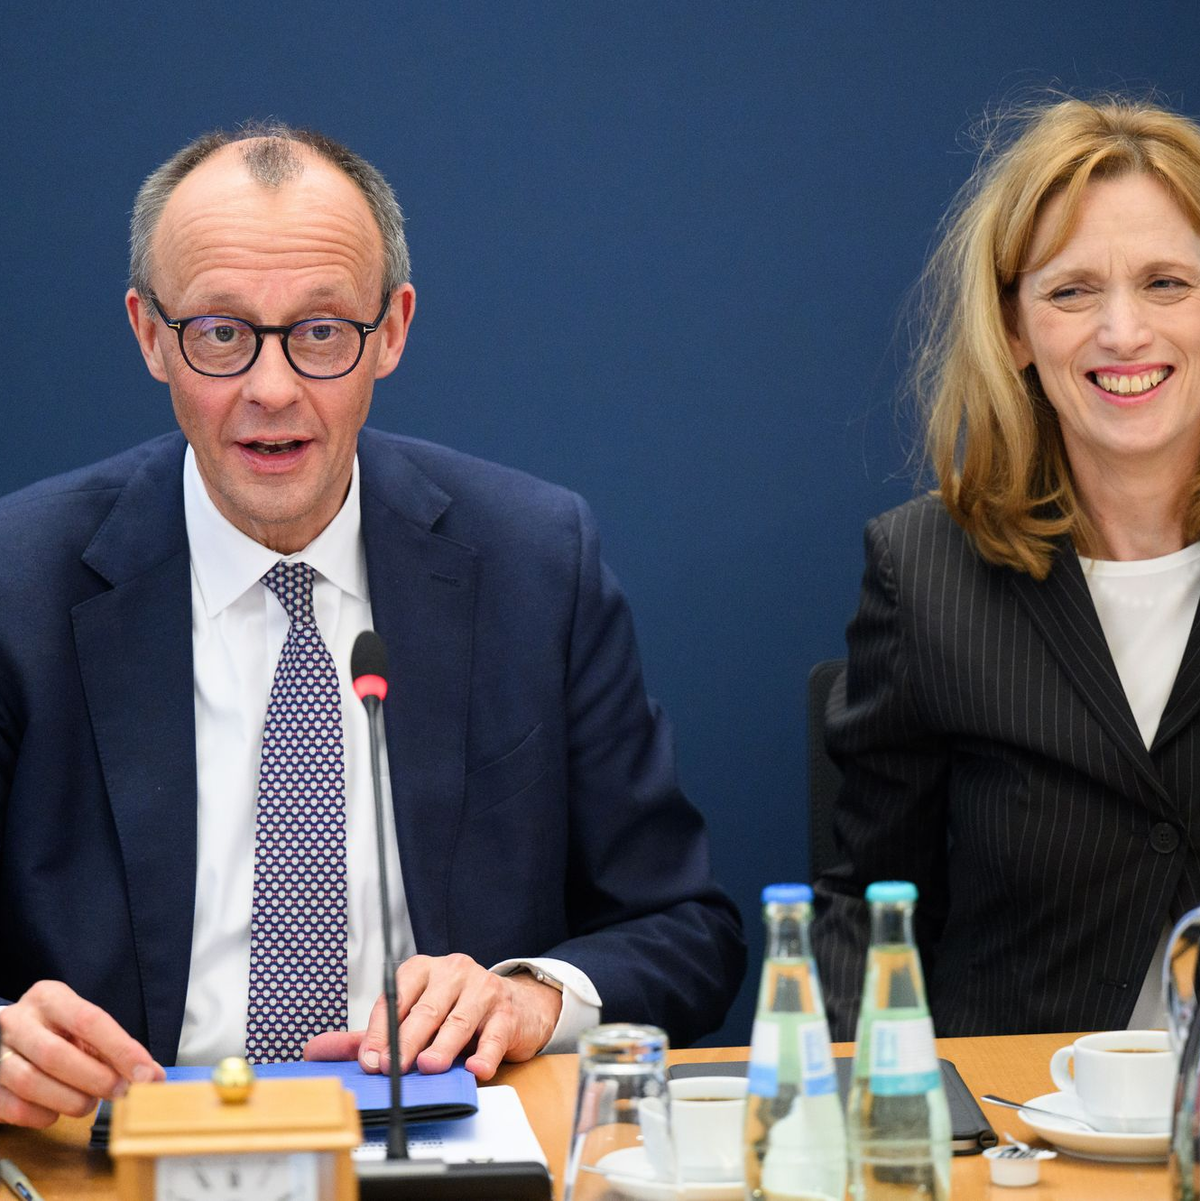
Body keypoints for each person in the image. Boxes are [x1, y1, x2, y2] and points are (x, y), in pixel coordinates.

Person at [0, 123, 745, 1128]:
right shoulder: (21, 583)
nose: (271, 389)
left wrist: (528, 998)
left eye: (320, 332)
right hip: (119, 1151)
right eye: (220, 332)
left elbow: (685, 928)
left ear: (390, 330)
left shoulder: (534, 561)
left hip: (441, 1144)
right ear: (149, 335)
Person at [813, 94, 1200, 1041]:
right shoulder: (925, 572)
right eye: (1071, 292)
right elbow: (868, 922)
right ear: (1016, 331)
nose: (1123, 332)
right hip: (1017, 1145)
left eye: (1167, 283)